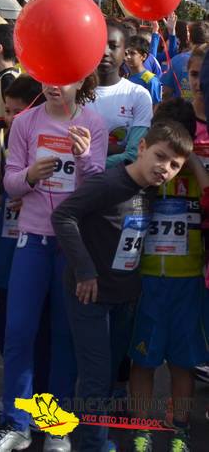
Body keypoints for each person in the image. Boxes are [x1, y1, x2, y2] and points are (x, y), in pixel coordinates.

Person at [0, 72, 108, 452]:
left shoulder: (94, 123)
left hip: (72, 245)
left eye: (64, 79)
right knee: (19, 332)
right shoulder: (24, 123)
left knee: (64, 335)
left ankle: (56, 425)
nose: (54, 85)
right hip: (31, 239)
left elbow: (97, 191)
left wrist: (84, 158)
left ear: (80, 82)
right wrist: (31, 175)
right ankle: (17, 423)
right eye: (48, 77)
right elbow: (11, 183)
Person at [53, 120, 190, 452]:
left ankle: (95, 439)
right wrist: (84, 270)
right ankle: (91, 445)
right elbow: (63, 216)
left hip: (124, 298)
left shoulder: (152, 189)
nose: (165, 168)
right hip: (90, 295)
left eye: (174, 165)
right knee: (96, 377)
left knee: (110, 375)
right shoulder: (109, 183)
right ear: (141, 148)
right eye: (160, 156)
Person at [127, 98, 207, 452]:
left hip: (188, 282)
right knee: (143, 361)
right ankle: (141, 430)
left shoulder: (193, 173)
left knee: (182, 364)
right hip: (146, 280)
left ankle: (180, 430)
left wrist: (196, 165)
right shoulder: (149, 170)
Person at [0, 75, 48, 419]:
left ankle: (38, 397)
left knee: (35, 327)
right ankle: (14, 394)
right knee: (7, 325)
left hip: (35, 247)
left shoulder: (46, 140)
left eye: (16, 111)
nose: (9, 118)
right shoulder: (8, 138)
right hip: (8, 246)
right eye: (7, 111)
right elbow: (10, 188)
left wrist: (32, 199)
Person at [93, 20, 153, 168]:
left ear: (125, 53)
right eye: (98, 44)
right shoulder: (72, 92)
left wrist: (88, 165)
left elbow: (132, 154)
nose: (105, 52)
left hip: (117, 180)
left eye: (113, 46)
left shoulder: (139, 95)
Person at [124, 34, 162, 105]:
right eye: (126, 53)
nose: (128, 57)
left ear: (144, 56)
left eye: (132, 53)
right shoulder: (124, 77)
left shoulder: (150, 80)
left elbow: (155, 106)